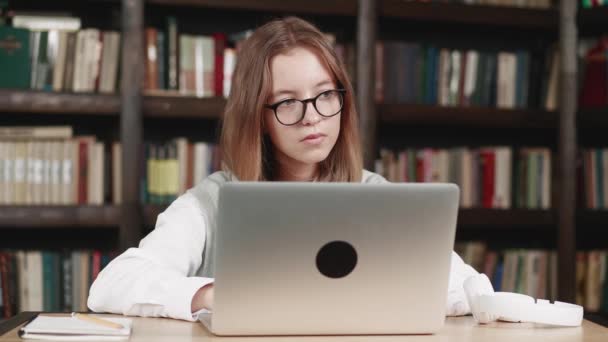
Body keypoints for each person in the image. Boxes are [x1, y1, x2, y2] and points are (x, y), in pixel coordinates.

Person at [88, 16, 477, 321]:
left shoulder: (378, 196)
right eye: (287, 102)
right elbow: (111, 285)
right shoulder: (212, 202)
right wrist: (211, 294)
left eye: (325, 95)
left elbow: (471, 289)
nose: (312, 117)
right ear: (258, 117)